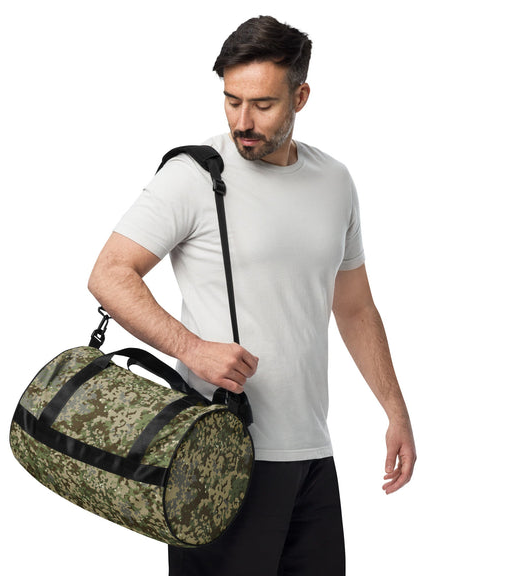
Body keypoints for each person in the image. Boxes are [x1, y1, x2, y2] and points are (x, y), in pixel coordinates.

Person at [88, 15, 416, 576]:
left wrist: (395, 409)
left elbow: (355, 307)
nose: (243, 121)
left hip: (312, 453)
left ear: (300, 97)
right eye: (231, 100)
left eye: (263, 105)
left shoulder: (334, 181)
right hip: (215, 454)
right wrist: (192, 348)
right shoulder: (193, 175)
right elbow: (110, 274)